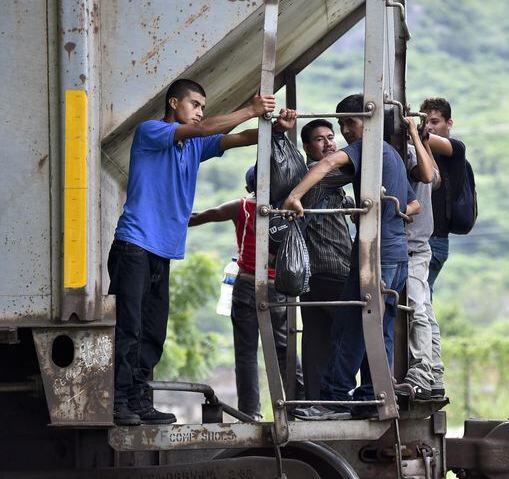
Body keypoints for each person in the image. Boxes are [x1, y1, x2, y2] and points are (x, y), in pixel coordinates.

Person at [107, 78, 275, 425]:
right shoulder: (151, 132)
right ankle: (118, 400)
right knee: (130, 328)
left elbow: (242, 138)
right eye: (195, 104)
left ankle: (138, 400)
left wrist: (272, 124)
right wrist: (251, 109)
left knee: (153, 332)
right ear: (173, 103)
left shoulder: (193, 147)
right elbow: (208, 128)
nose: (200, 112)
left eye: (202, 107)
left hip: (160, 252)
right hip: (134, 245)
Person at [284, 94, 418, 420]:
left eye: (349, 123)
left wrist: (294, 195)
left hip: (375, 256)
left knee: (350, 328)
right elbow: (413, 205)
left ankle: (334, 400)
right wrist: (381, 211)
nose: (346, 131)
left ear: (368, 121)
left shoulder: (367, 148)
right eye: (342, 124)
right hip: (396, 255)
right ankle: (374, 396)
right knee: (380, 329)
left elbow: (329, 164)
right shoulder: (393, 156)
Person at [188, 111, 303, 419]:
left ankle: (250, 412)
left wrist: (170, 217)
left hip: (246, 282)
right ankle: (296, 407)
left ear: (250, 184)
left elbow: (201, 216)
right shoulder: (290, 209)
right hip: (279, 285)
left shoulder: (242, 207)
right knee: (284, 349)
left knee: (246, 352)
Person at [297, 118, 354, 400]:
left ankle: (317, 401)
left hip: (313, 274)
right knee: (352, 334)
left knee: (316, 340)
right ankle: (340, 397)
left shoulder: (321, 181)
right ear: (307, 148)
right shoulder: (318, 174)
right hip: (333, 269)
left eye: (331, 137)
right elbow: (356, 165)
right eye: (320, 139)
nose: (329, 143)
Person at [399, 117, 446, 401]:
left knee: (417, 308)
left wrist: (418, 139)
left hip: (413, 245)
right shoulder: (417, 149)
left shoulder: (409, 151)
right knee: (425, 310)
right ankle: (435, 372)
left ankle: (422, 373)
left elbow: (430, 177)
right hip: (419, 243)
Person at [420, 97, 465, 297]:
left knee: (420, 300)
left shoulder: (455, 149)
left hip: (434, 239)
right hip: (421, 237)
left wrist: (412, 129)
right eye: (425, 122)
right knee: (421, 299)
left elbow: (423, 137)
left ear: (449, 123)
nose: (429, 127)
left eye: (435, 122)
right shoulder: (419, 150)